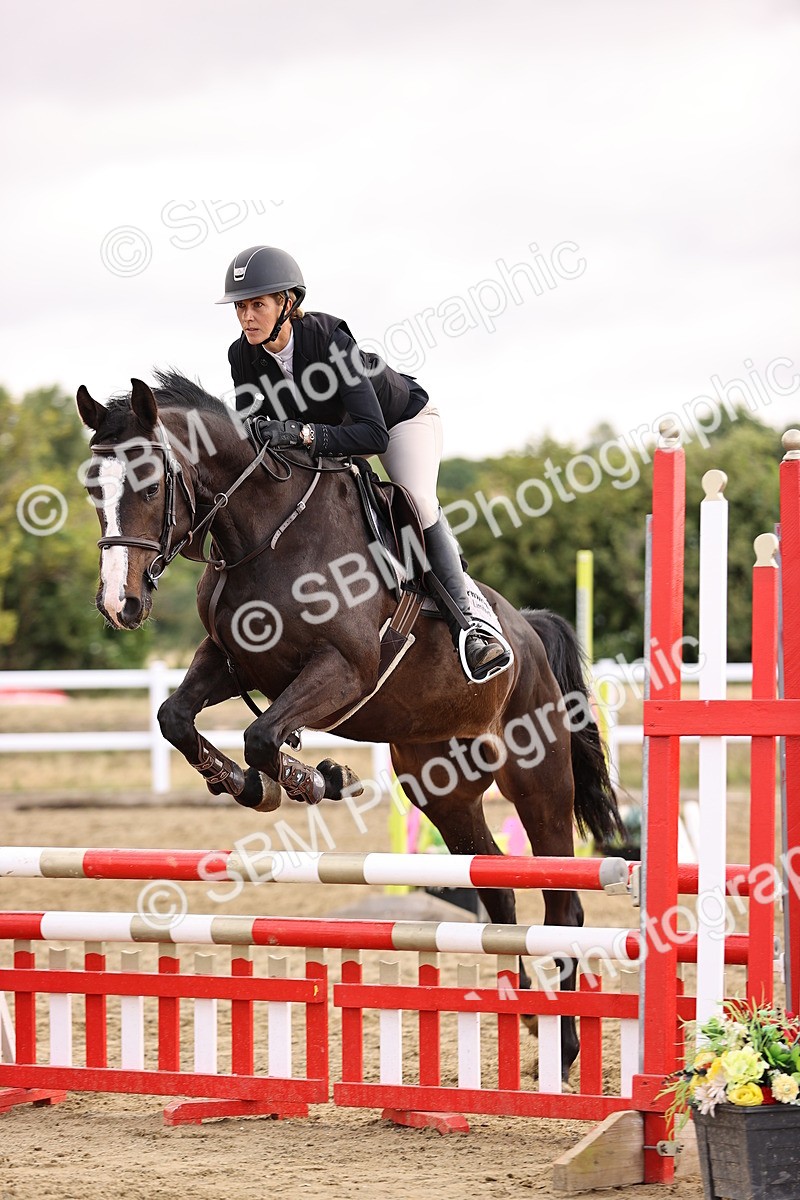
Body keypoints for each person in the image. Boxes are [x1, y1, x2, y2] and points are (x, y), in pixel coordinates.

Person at [217, 244, 510, 682]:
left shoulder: (329, 340)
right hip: (336, 439)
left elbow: (372, 434)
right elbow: (250, 430)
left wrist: (301, 434)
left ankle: (469, 625)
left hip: (398, 423)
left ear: (288, 304)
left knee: (417, 501)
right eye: (240, 307)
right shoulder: (242, 356)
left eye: (257, 305)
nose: (246, 317)